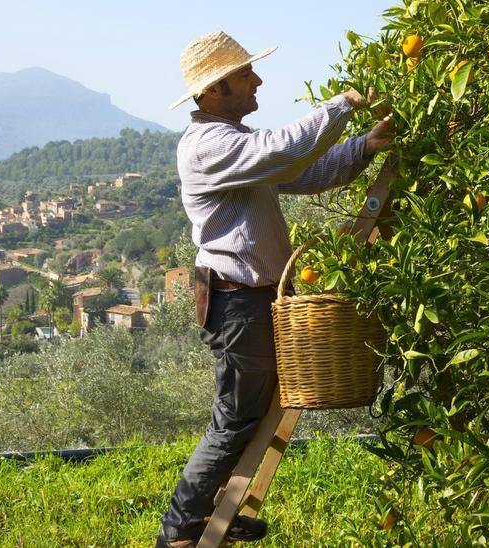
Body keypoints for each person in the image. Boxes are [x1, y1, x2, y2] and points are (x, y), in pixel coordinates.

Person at [155, 31, 393, 548]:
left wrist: (368, 145)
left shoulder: (236, 146)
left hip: (252, 299)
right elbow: (284, 150)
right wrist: (346, 102)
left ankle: (221, 506)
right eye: (246, 75)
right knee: (236, 416)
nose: (257, 80)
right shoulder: (209, 146)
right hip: (236, 301)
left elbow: (306, 170)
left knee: (255, 411)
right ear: (216, 89)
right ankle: (179, 529)